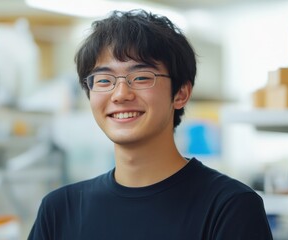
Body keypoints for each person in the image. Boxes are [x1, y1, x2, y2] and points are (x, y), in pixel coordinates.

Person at [28, 9, 273, 239]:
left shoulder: (230, 207)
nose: (120, 94)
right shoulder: (59, 210)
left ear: (181, 94)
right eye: (104, 80)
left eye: (141, 77)